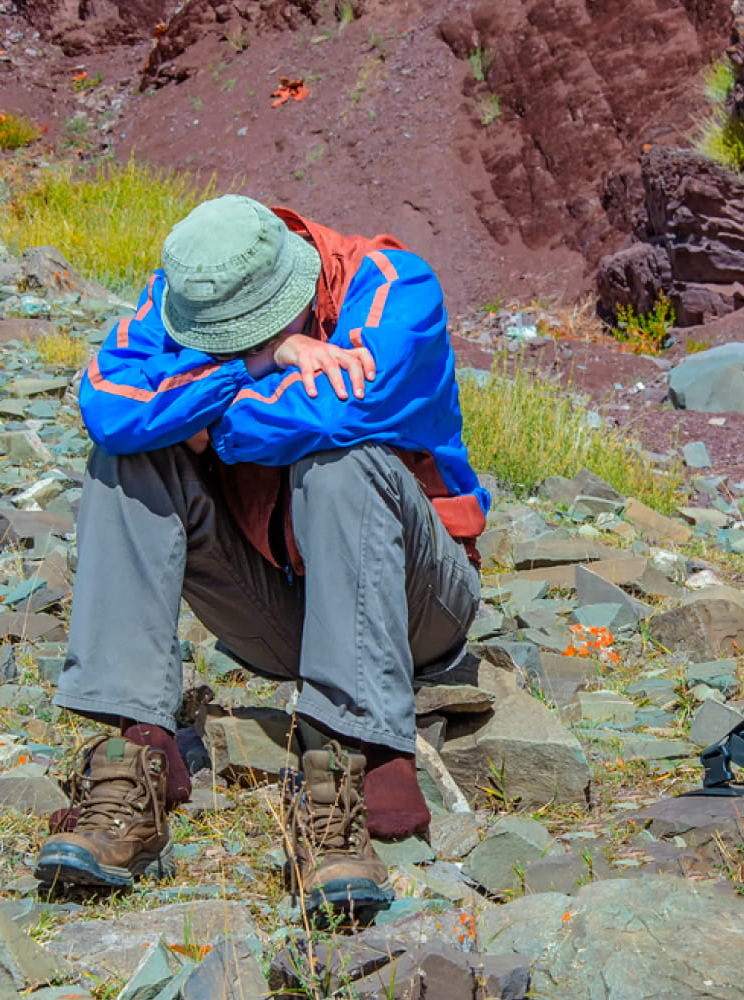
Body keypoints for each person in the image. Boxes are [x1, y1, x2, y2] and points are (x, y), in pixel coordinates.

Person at [33, 194, 487, 922]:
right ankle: (137, 761)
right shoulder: (184, 294)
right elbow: (109, 406)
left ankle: (351, 756)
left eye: (255, 330)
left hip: (417, 607)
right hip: (281, 615)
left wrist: (196, 414)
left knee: (342, 460)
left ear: (303, 284)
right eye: (219, 339)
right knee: (126, 461)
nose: (229, 345)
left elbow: (342, 409)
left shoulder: (398, 288)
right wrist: (262, 358)